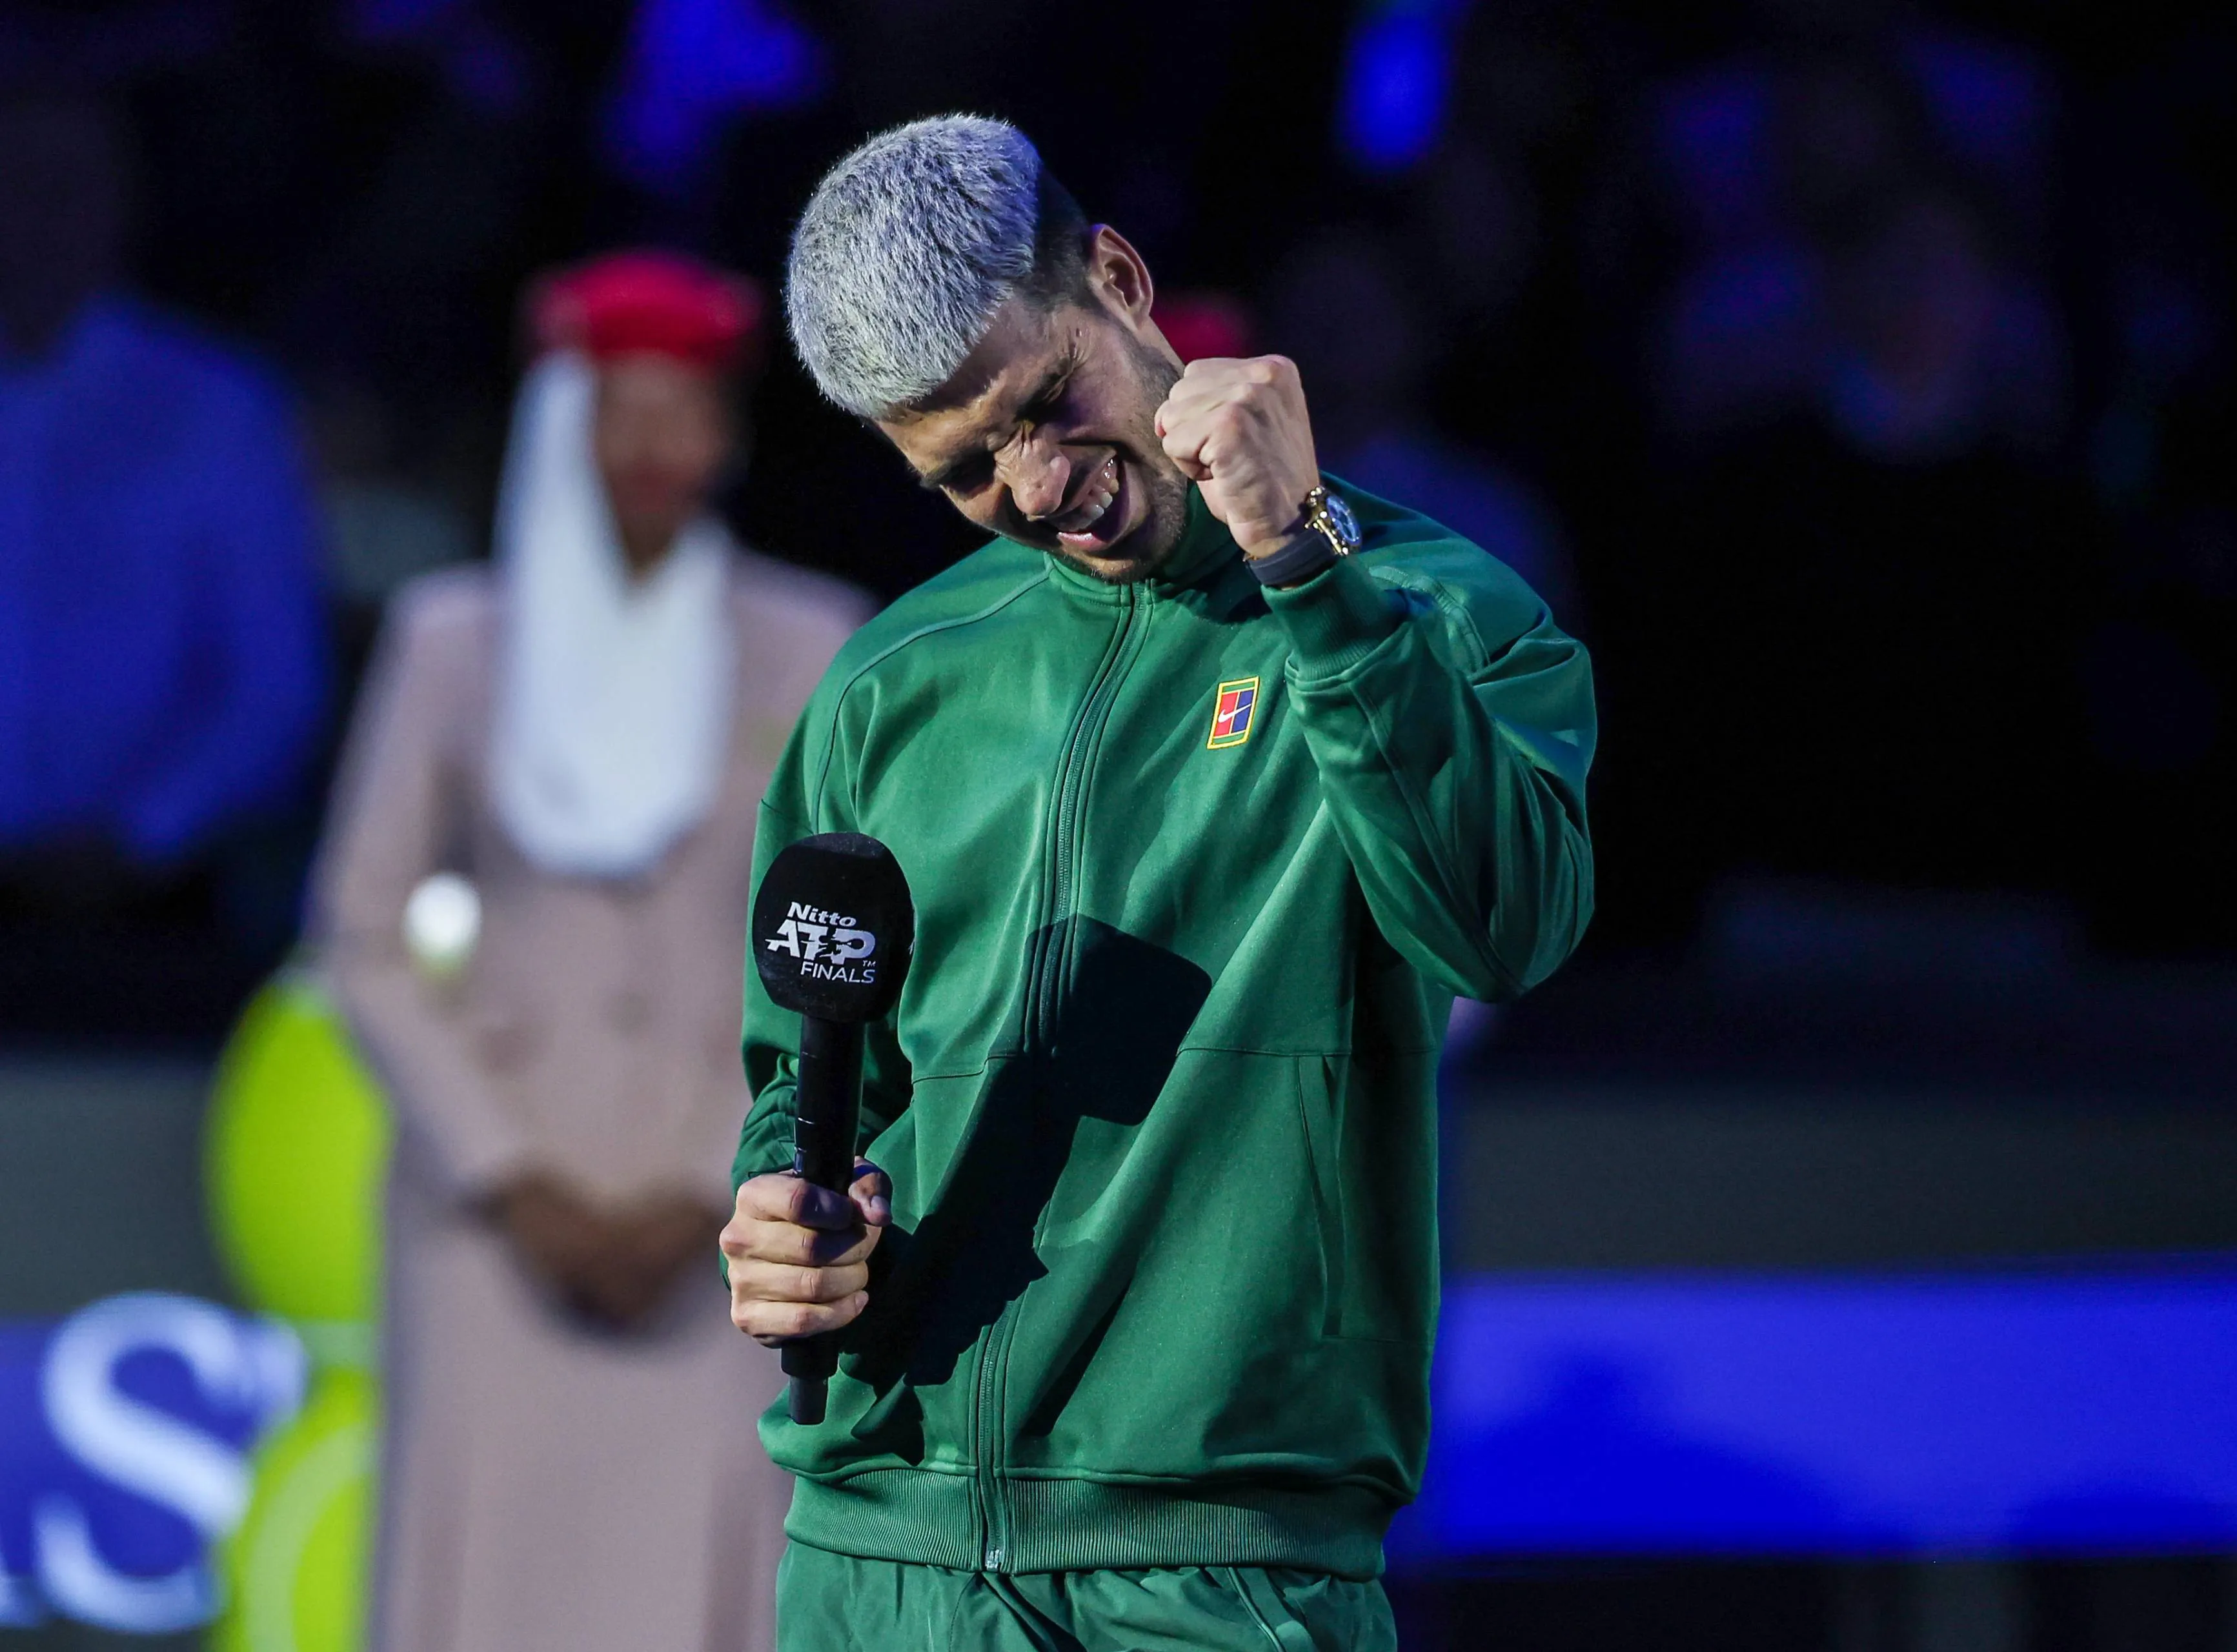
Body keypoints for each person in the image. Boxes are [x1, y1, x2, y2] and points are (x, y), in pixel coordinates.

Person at [720, 117, 1596, 1649]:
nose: (1042, 481)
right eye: (968, 470)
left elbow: (1507, 925)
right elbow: (807, 1075)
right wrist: (782, 1217)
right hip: (872, 1560)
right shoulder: (889, 685)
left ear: (1119, 279)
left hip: (1226, 1569)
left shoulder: (1437, 612)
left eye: (1048, 400)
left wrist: (1307, 565)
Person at [315, 250, 874, 1652]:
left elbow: (849, 948)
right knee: (490, 1577)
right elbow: (362, 925)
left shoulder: (811, 642)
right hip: (497, 1217)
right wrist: (509, 1174)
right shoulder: (455, 639)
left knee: (704, 1578)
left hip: (724, 1213)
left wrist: (713, 1179)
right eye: (622, 412)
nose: (654, 450)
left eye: (684, 413)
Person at [0, 86, 327, 924]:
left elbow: (273, 684)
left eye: (63, 189)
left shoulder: (215, 406)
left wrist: (138, 835)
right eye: (12, 186)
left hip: (150, 900)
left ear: (120, 203)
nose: (33, 220)